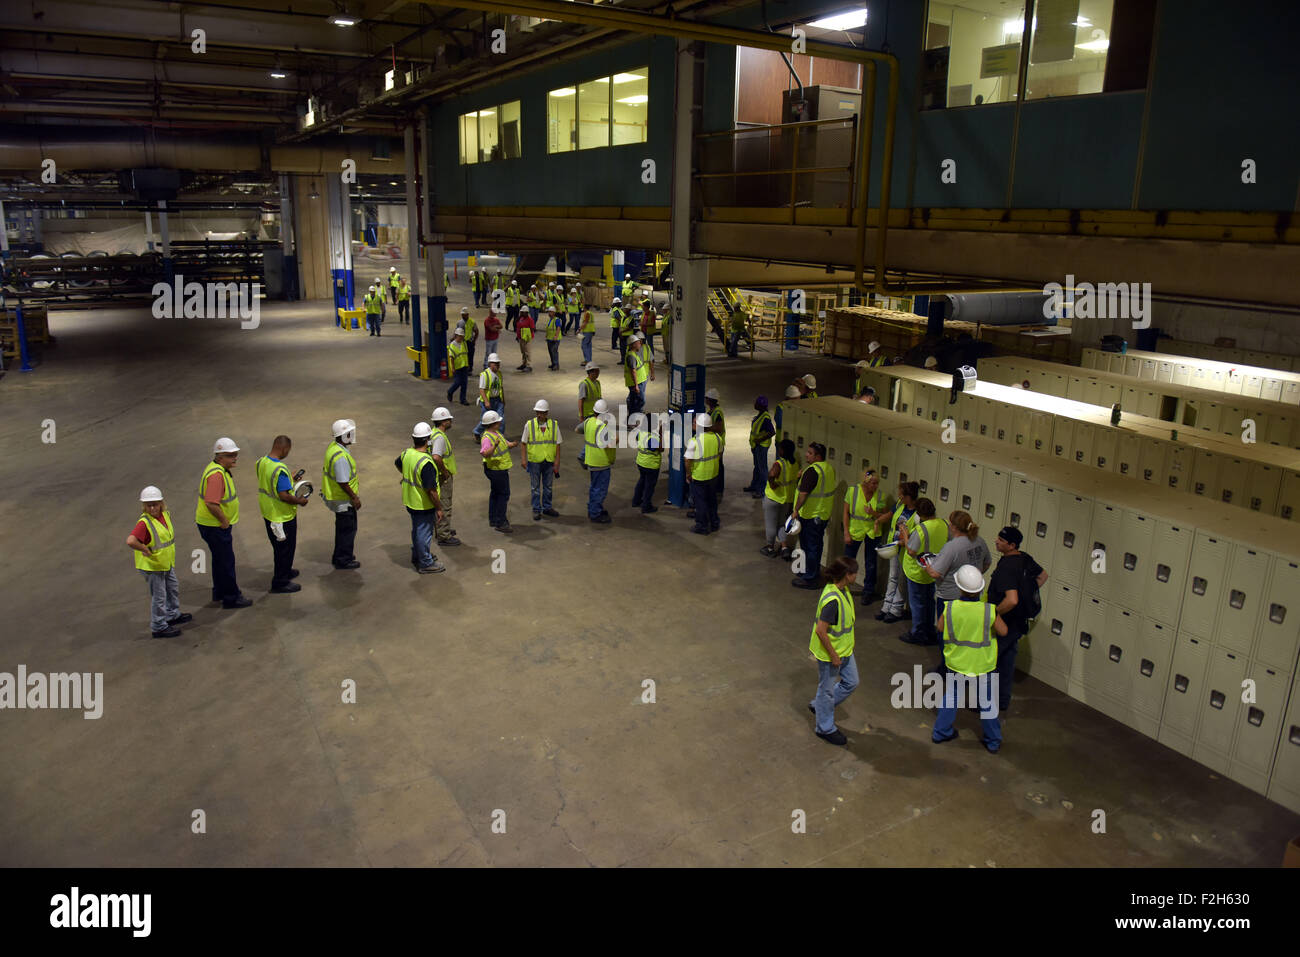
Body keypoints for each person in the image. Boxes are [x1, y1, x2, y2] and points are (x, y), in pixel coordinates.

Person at [933, 564, 1006, 753]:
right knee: (987, 702)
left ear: (959, 588)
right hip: (983, 665)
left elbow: (940, 628)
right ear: (980, 588)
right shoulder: (989, 611)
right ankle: (993, 741)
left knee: (952, 697)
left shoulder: (950, 608)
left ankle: (940, 732)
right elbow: (1003, 631)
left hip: (957, 663)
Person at [987, 525, 1049, 713]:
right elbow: (1043, 576)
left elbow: (1011, 600)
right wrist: (1026, 595)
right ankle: (1003, 700)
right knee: (1007, 664)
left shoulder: (1007, 567)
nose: (997, 541)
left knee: (990, 664)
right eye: (998, 537)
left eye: (1002, 540)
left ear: (1012, 545)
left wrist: (994, 614)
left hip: (1005, 623)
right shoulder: (1024, 558)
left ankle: (986, 702)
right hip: (1018, 623)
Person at [808, 556, 860, 747]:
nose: (857, 576)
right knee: (826, 690)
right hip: (832, 653)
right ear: (847, 575)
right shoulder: (833, 600)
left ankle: (819, 707)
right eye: (855, 573)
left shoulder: (842, 590)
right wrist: (834, 656)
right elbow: (821, 631)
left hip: (845, 649)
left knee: (852, 682)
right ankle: (824, 728)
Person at [127, 485, 190, 638]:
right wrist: (143, 548)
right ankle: (159, 626)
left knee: (172, 587)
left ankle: (172, 614)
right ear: (144, 506)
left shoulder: (165, 515)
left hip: (165, 563)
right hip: (153, 566)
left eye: (155, 504)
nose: (153, 508)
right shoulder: (144, 523)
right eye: (149, 505)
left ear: (161, 503)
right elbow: (130, 541)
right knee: (159, 597)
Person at [195, 437, 251, 609]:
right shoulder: (217, 475)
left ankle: (219, 591)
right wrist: (224, 521)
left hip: (209, 525)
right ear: (219, 457)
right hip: (215, 526)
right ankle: (231, 597)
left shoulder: (215, 468)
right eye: (230, 455)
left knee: (219, 559)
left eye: (235, 454)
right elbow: (211, 503)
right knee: (226, 561)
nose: (234, 458)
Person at [255, 435, 311, 594]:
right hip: (281, 517)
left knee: (281, 548)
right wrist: (300, 501)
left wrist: (290, 478)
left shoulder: (261, 462)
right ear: (284, 448)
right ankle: (280, 582)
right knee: (284, 549)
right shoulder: (280, 469)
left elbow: (269, 483)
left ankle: (286, 571)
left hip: (269, 512)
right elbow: (284, 495)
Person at [920, 511, 992, 628]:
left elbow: (935, 573)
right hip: (973, 594)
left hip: (950, 596)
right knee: (965, 629)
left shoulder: (952, 547)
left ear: (954, 527)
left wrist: (926, 566)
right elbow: (987, 563)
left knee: (946, 631)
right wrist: (973, 577)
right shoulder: (979, 541)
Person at [897, 497, 949, 646]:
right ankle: (930, 631)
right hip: (934, 570)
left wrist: (905, 534)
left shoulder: (922, 529)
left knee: (917, 603)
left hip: (918, 572)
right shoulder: (944, 524)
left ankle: (918, 633)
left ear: (919, 514)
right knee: (929, 602)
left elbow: (911, 551)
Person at [397, 422, 447, 574]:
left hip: (410, 501)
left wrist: (406, 474)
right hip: (423, 504)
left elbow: (397, 463)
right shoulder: (426, 463)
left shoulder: (407, 453)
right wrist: (439, 508)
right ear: (427, 440)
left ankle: (418, 556)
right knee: (424, 533)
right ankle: (425, 563)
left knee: (417, 530)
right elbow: (431, 491)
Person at [842, 468, 891, 606]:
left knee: (871, 563)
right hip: (855, 531)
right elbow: (845, 513)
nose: (875, 486)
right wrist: (846, 532)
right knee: (848, 561)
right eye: (873, 483)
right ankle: (844, 588)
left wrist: (873, 513)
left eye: (877, 484)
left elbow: (884, 516)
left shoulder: (880, 496)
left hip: (872, 532)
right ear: (865, 482)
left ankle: (868, 591)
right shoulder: (853, 491)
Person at [791, 442, 836, 589]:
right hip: (822, 514)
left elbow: (803, 494)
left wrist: (796, 509)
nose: (806, 454)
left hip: (811, 515)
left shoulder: (812, 471)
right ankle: (810, 572)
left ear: (818, 456)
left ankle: (810, 578)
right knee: (815, 546)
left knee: (810, 547)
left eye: (810, 453)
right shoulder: (828, 468)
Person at [322, 419, 362, 569]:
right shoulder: (340, 458)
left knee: (342, 529)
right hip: (343, 501)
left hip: (338, 498)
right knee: (347, 530)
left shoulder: (334, 447)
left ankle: (339, 556)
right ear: (344, 436)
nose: (352, 435)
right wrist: (354, 497)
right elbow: (343, 482)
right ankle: (344, 559)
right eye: (349, 433)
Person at [876, 481, 918, 624]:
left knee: (901, 581)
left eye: (901, 494)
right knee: (893, 576)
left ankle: (896, 609)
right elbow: (889, 515)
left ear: (908, 496)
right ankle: (886, 606)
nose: (899, 497)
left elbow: (917, 535)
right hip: (894, 547)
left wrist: (903, 541)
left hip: (907, 551)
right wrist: (877, 520)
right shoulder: (900, 506)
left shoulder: (917, 514)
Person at [520, 399, 561, 521]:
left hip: (549, 461)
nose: (539, 415)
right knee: (535, 487)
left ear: (547, 412)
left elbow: (558, 444)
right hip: (534, 461)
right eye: (538, 412)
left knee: (548, 486)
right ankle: (536, 509)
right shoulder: (529, 424)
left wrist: (557, 461)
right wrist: (523, 459)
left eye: (542, 412)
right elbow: (523, 443)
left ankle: (547, 507)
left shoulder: (554, 425)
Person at [479, 410, 519, 533]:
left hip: (499, 469)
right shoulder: (487, 438)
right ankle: (501, 522)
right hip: (496, 470)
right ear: (492, 424)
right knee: (503, 494)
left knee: (496, 493)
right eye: (498, 421)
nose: (500, 422)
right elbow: (485, 453)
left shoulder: (497, 433)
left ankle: (494, 519)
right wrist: (494, 446)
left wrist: (513, 444)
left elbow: (506, 444)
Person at [429, 407, 462, 547]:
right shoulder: (440, 438)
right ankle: (444, 535)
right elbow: (436, 457)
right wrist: (445, 471)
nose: (451, 421)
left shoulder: (434, 433)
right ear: (443, 422)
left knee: (442, 504)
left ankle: (443, 529)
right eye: (448, 419)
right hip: (443, 477)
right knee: (445, 504)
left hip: (439, 475)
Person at [685, 411, 722, 534]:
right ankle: (714, 522)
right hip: (713, 475)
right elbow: (719, 454)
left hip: (699, 477)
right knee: (712, 500)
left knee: (700, 502)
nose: (693, 424)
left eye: (695, 422)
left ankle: (702, 526)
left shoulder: (694, 441)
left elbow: (687, 461)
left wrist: (688, 474)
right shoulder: (717, 438)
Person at [760, 438, 798, 558]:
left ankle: (770, 548)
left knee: (770, 525)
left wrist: (772, 483)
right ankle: (785, 548)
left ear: (783, 451)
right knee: (781, 524)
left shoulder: (779, 464)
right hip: (786, 499)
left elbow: (772, 474)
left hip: (773, 498)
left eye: (780, 448)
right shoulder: (794, 463)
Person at [583, 398, 615, 523]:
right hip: (601, 462)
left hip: (591, 460)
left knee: (594, 487)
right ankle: (595, 514)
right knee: (600, 489)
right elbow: (608, 445)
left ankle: (593, 508)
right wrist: (617, 439)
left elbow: (577, 430)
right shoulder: (602, 427)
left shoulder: (588, 422)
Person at [743, 396, 775, 497]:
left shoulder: (765, 418)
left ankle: (762, 490)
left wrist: (759, 440)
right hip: (756, 446)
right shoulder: (760, 415)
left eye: (756, 403)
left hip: (761, 446)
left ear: (761, 406)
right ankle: (755, 486)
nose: (754, 404)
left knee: (762, 469)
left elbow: (772, 432)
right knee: (757, 467)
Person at [631, 413, 662, 514]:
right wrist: (660, 434)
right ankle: (646, 506)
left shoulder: (641, 433)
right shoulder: (652, 438)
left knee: (641, 481)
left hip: (640, 462)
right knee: (649, 486)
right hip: (651, 465)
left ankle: (636, 501)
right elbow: (661, 448)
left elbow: (636, 438)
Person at [473, 353, 506, 440]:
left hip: (498, 400)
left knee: (501, 420)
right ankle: (477, 431)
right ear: (490, 364)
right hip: (487, 401)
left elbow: (501, 387)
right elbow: (482, 389)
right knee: (487, 421)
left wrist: (503, 399)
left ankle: (500, 437)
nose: (497, 365)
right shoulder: (485, 374)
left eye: (498, 363)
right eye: (495, 363)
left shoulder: (499, 374)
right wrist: (486, 401)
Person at [704, 388, 725, 498]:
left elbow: (719, 428)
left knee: (719, 466)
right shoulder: (712, 411)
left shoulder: (717, 412)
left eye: (706, 398)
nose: (705, 400)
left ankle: (719, 488)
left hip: (718, 443)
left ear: (710, 400)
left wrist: (705, 428)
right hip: (713, 442)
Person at [625, 334, 653, 413]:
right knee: (641, 400)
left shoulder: (634, 354)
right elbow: (633, 371)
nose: (640, 344)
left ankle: (634, 415)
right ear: (633, 345)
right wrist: (636, 385)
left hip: (641, 380)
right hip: (637, 383)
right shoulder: (631, 356)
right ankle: (635, 414)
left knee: (635, 400)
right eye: (638, 342)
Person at [446, 326, 470, 405]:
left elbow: (466, 354)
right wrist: (452, 367)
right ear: (456, 336)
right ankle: (450, 391)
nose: (461, 338)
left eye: (462, 336)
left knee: (464, 383)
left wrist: (468, 364)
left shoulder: (464, 343)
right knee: (458, 382)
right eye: (460, 336)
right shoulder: (452, 345)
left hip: (464, 366)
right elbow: (451, 357)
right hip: (457, 367)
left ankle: (463, 399)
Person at [515, 308, 535, 372]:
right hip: (521, 337)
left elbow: (532, 329)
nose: (522, 313)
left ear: (526, 313)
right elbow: (518, 327)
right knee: (523, 351)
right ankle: (524, 364)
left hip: (527, 338)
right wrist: (518, 336)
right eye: (521, 312)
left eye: (523, 312)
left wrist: (526, 335)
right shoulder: (520, 319)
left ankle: (529, 365)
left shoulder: (530, 320)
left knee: (527, 352)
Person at [544, 307, 563, 371]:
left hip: (555, 339)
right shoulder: (550, 320)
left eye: (550, 312)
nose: (549, 313)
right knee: (550, 351)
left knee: (554, 351)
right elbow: (548, 328)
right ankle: (553, 363)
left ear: (554, 313)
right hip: (549, 338)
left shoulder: (556, 320)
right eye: (549, 312)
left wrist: (556, 336)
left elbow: (558, 328)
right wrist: (546, 335)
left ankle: (556, 365)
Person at [463, 307, 480, 372]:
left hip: (469, 342)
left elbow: (476, 331)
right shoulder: (460, 322)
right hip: (463, 342)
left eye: (464, 314)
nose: (463, 316)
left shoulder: (472, 322)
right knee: (464, 356)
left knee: (470, 356)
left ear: (467, 314)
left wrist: (474, 340)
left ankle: (470, 369)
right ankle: (465, 369)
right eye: (462, 314)